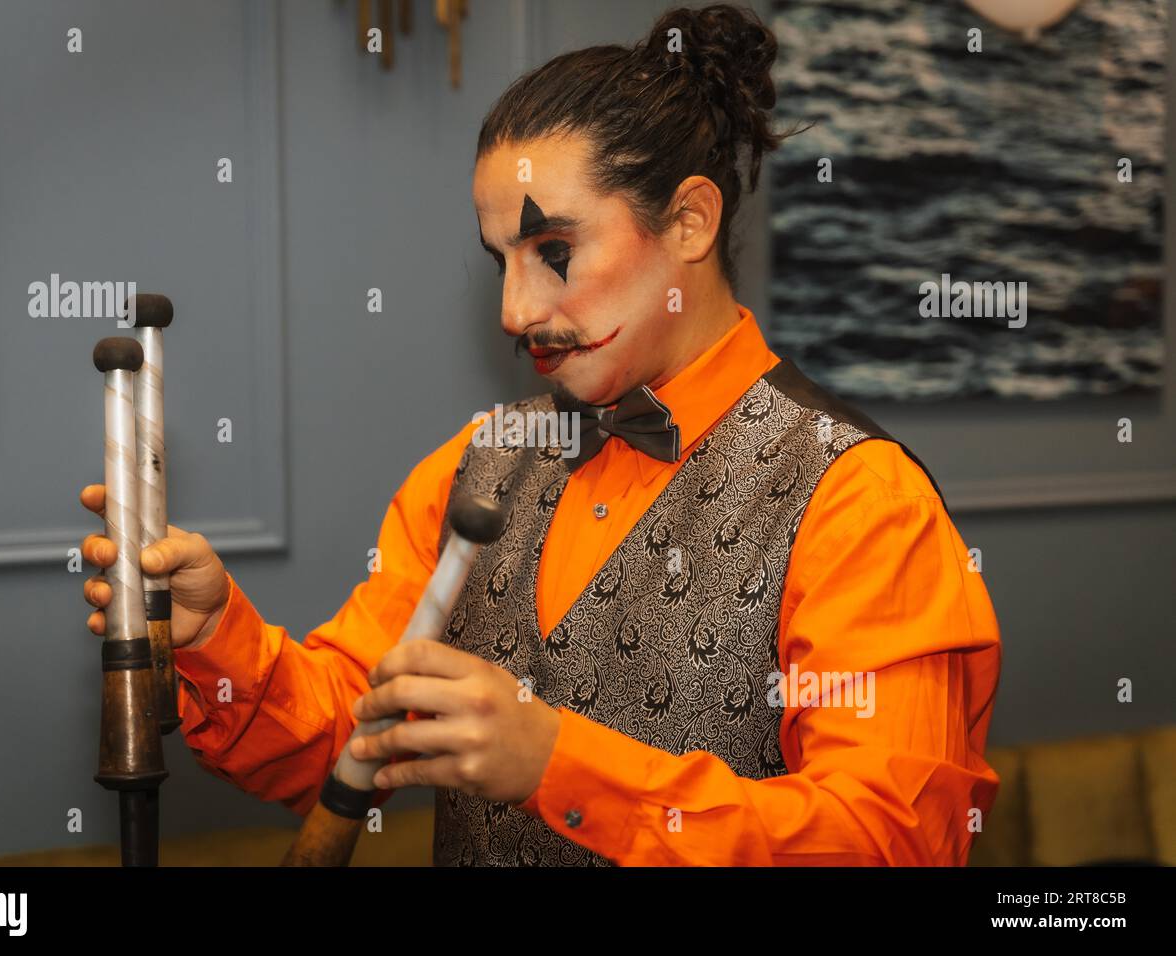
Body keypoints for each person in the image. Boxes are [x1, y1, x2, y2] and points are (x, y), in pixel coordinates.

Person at [80, 3, 1001, 866]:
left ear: (689, 221)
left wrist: (559, 766)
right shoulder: (472, 468)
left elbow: (892, 840)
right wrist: (213, 637)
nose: (516, 312)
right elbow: (343, 739)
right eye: (500, 264)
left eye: (554, 251)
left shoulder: (858, 502)